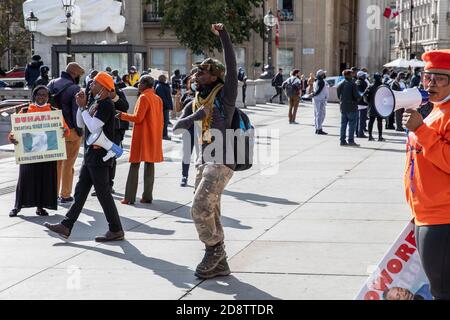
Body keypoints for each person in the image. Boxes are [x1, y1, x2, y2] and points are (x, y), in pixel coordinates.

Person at [173, 23, 237, 279]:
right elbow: (177, 127)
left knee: (199, 208)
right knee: (212, 211)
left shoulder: (225, 95)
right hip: (204, 159)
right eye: (196, 73)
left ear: (214, 76)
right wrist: (196, 115)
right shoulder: (197, 101)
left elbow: (232, 66)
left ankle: (214, 249)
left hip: (222, 159)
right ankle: (220, 264)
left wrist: (223, 34)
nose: (195, 77)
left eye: (201, 73)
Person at [44, 72, 125, 242]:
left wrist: (83, 107)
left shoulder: (106, 104)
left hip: (100, 156)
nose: (90, 85)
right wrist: (81, 107)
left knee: (103, 194)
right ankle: (66, 226)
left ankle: (116, 229)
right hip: (91, 155)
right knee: (80, 192)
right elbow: (81, 124)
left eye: (94, 83)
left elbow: (94, 126)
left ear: (102, 87)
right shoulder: (95, 102)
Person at [402, 49, 450, 300]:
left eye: (440, 78)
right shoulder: (435, 110)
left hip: (442, 217)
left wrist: (420, 129)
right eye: (427, 77)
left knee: (442, 291)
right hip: (426, 213)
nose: (431, 83)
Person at [8, 86, 70, 218]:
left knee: (45, 180)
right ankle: (17, 206)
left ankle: (40, 207)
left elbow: (65, 129)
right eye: (39, 95)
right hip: (29, 154)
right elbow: (14, 131)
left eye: (45, 95)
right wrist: (12, 137)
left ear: (48, 97)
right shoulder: (25, 111)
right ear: (34, 96)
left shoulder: (54, 112)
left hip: (47, 154)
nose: (41, 97)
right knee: (25, 179)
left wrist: (64, 131)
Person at [118, 75, 164, 205]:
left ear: (144, 84)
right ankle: (147, 196)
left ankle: (129, 198)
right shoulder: (157, 98)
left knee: (135, 165)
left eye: (139, 83)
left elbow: (138, 118)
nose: (138, 85)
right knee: (150, 164)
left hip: (142, 135)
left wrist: (121, 115)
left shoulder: (143, 97)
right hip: (153, 135)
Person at [47, 62, 85, 203]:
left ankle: (53, 193)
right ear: (74, 74)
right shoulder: (75, 88)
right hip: (70, 131)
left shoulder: (52, 83)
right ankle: (65, 194)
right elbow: (76, 113)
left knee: (56, 164)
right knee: (68, 164)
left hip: (53, 129)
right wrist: (80, 131)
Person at [91, 83, 129, 197]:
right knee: (98, 157)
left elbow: (125, 106)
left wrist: (114, 97)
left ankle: (109, 185)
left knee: (111, 156)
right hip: (100, 130)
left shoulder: (117, 91)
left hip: (115, 130)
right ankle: (98, 185)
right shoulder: (96, 94)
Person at [179, 71, 197, 187]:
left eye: (196, 82)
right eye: (192, 82)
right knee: (186, 153)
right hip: (188, 129)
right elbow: (178, 109)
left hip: (202, 128)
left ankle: (202, 178)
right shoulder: (186, 95)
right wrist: (176, 98)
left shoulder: (205, 94)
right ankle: (184, 176)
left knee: (204, 154)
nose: (194, 84)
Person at [336, 69, 360, 147]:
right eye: (351, 74)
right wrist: (360, 97)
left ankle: (342, 141)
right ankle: (351, 140)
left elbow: (338, 95)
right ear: (349, 75)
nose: (353, 75)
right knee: (352, 125)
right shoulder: (352, 84)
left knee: (343, 125)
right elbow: (356, 96)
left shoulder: (340, 83)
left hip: (343, 106)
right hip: (352, 107)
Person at [366, 73, 385, 141]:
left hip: (372, 106)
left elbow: (365, 95)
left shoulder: (370, 86)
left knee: (371, 121)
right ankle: (380, 136)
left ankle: (370, 136)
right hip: (380, 106)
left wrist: (368, 102)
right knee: (379, 121)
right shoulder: (383, 86)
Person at [155, 74, 173, 140]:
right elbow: (162, 98)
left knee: (165, 121)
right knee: (164, 121)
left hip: (165, 107)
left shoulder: (162, 85)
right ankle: (164, 135)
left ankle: (164, 134)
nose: (166, 79)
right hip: (164, 107)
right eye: (165, 78)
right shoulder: (160, 86)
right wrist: (168, 106)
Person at [312, 69, 329, 134]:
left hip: (319, 99)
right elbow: (318, 90)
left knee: (318, 114)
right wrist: (313, 94)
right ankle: (319, 129)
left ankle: (318, 128)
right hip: (320, 99)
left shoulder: (318, 81)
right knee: (320, 114)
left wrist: (313, 94)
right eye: (324, 74)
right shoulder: (321, 81)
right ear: (322, 75)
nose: (325, 75)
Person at [355, 71, 369, 138]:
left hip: (357, 103)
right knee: (362, 119)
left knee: (357, 119)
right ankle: (360, 133)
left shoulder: (356, 82)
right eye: (363, 75)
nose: (365, 76)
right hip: (363, 103)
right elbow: (365, 93)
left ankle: (357, 132)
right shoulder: (364, 83)